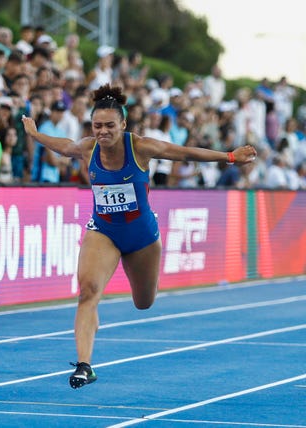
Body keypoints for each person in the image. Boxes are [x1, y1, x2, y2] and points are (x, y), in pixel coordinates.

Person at [21, 84, 257, 388]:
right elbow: (64, 146)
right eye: (97, 126)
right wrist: (35, 135)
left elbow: (183, 153)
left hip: (142, 235)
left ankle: (142, 284)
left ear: (123, 124)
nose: (102, 132)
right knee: (88, 290)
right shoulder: (88, 147)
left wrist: (229, 156)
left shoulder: (141, 147)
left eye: (109, 126)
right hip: (103, 230)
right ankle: (84, 365)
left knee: (143, 302)